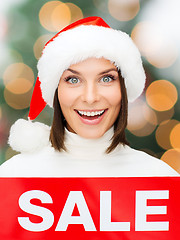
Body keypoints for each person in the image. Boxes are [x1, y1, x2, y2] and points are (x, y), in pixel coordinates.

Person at [0, 16, 178, 177]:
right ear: (56, 90)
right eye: (73, 80)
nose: (90, 97)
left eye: (106, 79)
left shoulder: (159, 178)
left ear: (123, 89)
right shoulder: (15, 177)